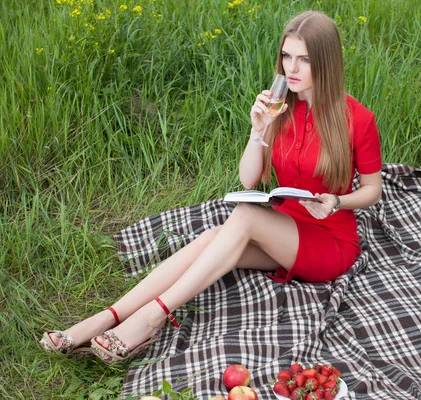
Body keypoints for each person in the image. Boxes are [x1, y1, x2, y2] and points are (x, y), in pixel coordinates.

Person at [39, 10, 382, 363]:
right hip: (285, 228)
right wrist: (259, 129)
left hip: (329, 241)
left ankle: (152, 317)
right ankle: (105, 317)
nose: (291, 68)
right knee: (210, 239)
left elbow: (373, 190)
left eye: (304, 59)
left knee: (245, 217)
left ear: (326, 61)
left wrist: (337, 201)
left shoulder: (358, 118)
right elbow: (250, 179)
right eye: (286, 56)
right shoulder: (281, 108)